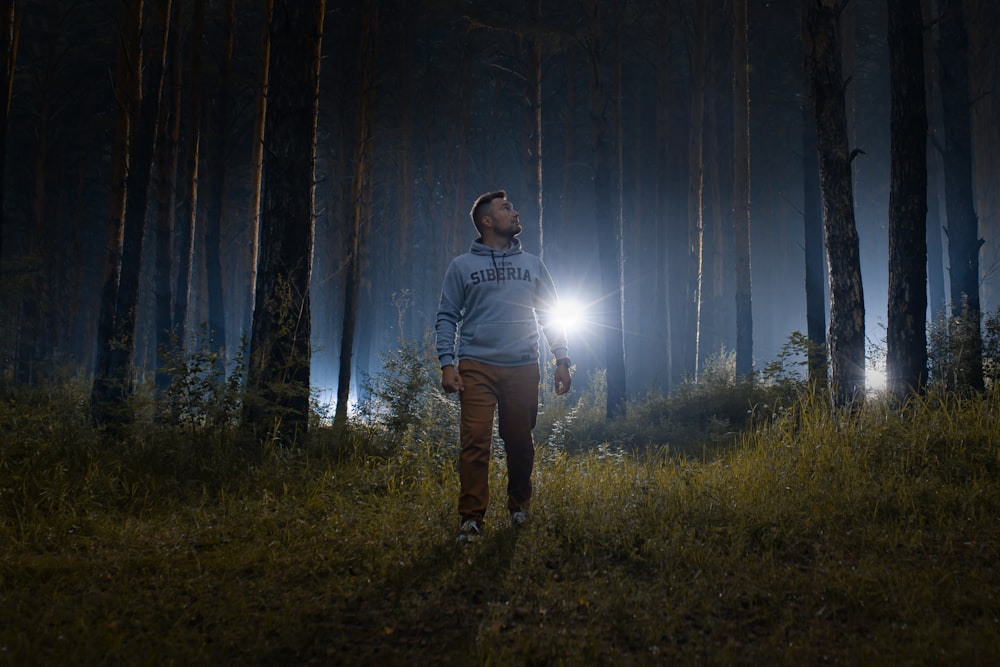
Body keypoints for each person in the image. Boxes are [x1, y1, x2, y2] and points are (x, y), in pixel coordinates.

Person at [435, 190, 572, 542]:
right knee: (475, 443)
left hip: (523, 365)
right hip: (475, 366)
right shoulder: (462, 266)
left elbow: (550, 314)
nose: (515, 212)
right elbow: (447, 316)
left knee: (519, 443)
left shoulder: (533, 265)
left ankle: (519, 507)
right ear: (486, 221)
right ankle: (471, 518)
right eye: (506, 208)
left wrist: (562, 358)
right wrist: (447, 364)